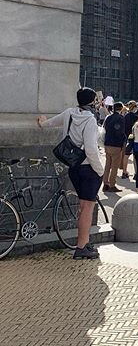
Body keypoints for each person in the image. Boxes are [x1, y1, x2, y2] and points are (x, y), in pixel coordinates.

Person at [37, 87, 104, 260]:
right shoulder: (89, 119)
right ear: (92, 102)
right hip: (89, 168)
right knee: (87, 208)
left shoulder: (69, 113)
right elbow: (90, 148)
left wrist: (42, 121)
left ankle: (85, 241)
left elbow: (50, 123)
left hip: (73, 165)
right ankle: (81, 247)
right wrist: (99, 169)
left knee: (82, 207)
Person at [102, 101, 126, 193]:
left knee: (108, 164)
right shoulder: (120, 118)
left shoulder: (108, 117)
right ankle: (112, 184)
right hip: (116, 144)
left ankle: (105, 183)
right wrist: (122, 142)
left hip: (107, 143)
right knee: (114, 166)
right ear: (120, 109)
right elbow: (120, 132)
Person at [121, 100, 138, 179]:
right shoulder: (135, 117)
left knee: (126, 155)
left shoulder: (125, 116)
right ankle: (136, 173)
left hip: (126, 138)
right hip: (135, 138)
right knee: (135, 157)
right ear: (134, 107)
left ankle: (124, 172)